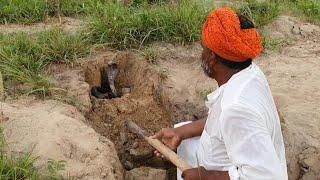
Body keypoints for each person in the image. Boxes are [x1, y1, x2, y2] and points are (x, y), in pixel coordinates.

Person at [152, 7, 288, 180]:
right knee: (183, 133)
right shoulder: (249, 72)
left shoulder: (237, 108)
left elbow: (266, 176)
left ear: (212, 58)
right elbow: (222, 121)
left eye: (203, 48)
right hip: (229, 160)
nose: (201, 54)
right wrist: (181, 132)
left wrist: (205, 176)